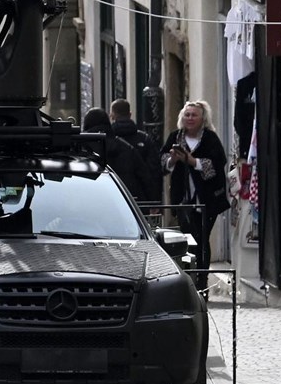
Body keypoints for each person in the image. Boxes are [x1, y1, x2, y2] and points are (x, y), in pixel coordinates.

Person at [161, 100, 231, 291]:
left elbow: (217, 166)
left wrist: (192, 161)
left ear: (203, 119)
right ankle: (190, 281)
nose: (190, 118)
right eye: (187, 114)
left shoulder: (210, 139)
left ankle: (202, 281)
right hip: (183, 199)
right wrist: (172, 159)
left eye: (194, 115)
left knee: (202, 238)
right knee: (189, 238)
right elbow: (162, 165)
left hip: (207, 199)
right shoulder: (175, 137)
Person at [82, 107, 154, 203]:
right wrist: (152, 201)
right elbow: (145, 177)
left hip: (90, 202)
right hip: (124, 203)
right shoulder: (126, 148)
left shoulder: (81, 148)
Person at [110, 98, 161, 203]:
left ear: (112, 116)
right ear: (130, 114)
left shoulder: (107, 140)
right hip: (139, 198)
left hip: (112, 194)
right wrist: (154, 199)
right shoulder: (144, 139)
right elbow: (154, 170)